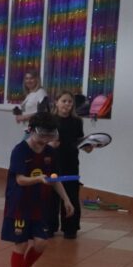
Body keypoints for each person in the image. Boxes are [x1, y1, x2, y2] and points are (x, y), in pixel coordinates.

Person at [2, 112, 74, 267]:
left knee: (41, 243)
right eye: (42, 135)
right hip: (19, 204)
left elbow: (54, 179)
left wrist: (66, 200)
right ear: (31, 130)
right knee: (21, 244)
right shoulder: (20, 151)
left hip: (39, 205)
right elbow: (20, 180)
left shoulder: (50, 153)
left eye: (49, 135)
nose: (45, 139)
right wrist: (38, 179)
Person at [48, 92, 89, 239]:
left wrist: (88, 146)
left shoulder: (77, 121)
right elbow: (39, 140)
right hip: (52, 162)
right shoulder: (50, 120)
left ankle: (70, 227)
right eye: (64, 101)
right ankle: (49, 226)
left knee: (71, 194)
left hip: (71, 162)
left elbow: (79, 141)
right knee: (51, 196)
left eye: (70, 102)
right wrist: (50, 144)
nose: (67, 104)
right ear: (56, 102)